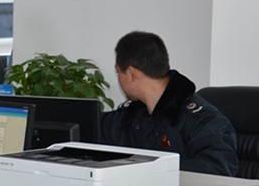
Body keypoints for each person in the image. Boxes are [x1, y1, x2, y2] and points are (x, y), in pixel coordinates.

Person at [101, 31, 238, 176]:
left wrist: (152, 167)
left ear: (131, 74)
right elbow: (93, 128)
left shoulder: (201, 119)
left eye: (118, 72)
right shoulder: (131, 115)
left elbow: (219, 171)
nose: (119, 79)